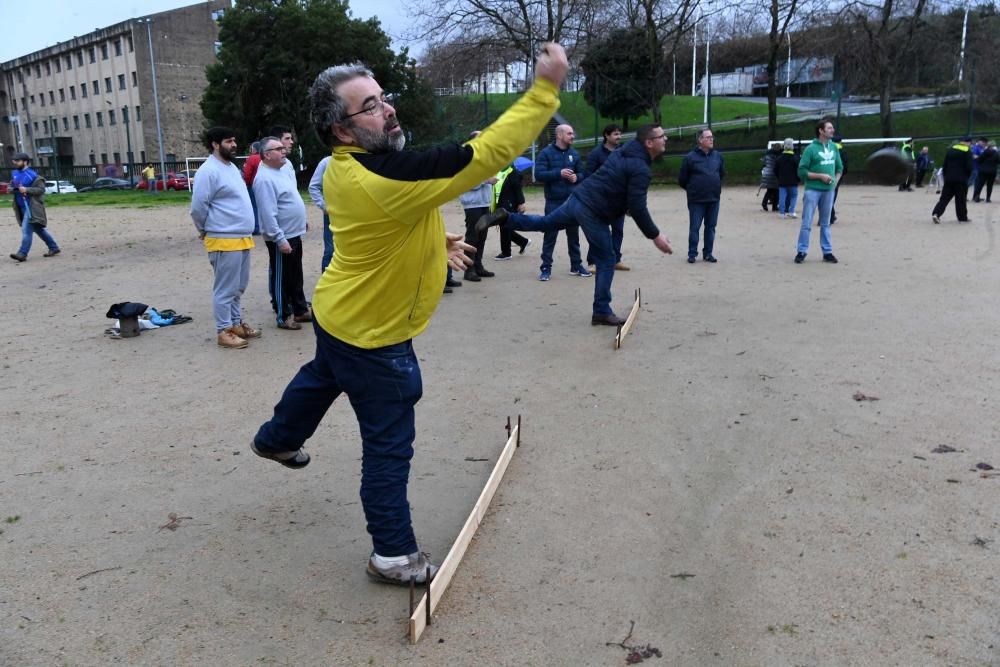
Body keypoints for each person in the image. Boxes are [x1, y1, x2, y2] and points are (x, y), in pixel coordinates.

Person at [252, 42, 569, 586]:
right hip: (375, 337)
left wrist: (433, 241)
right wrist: (544, 91)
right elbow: (485, 155)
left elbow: (389, 222)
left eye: (383, 98)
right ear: (342, 130)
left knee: (323, 375)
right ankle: (393, 554)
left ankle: (277, 438)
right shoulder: (383, 178)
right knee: (388, 445)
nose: (388, 109)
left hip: (339, 312)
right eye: (370, 106)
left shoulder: (342, 168)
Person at [479, 124, 673, 325]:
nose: (666, 139)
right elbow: (638, 206)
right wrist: (655, 236)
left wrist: (625, 206)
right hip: (593, 211)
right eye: (662, 136)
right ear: (649, 143)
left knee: (547, 223)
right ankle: (601, 311)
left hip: (578, 199)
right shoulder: (639, 167)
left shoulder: (626, 151)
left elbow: (622, 189)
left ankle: (507, 218)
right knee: (607, 260)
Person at [190, 127, 260, 349]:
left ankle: (236, 324)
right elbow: (198, 207)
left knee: (238, 286)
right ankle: (224, 331)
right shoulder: (208, 171)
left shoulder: (231, 168)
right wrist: (204, 228)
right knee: (225, 289)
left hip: (242, 237)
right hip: (223, 238)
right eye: (229, 141)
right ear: (215, 144)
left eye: (234, 140)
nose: (234, 145)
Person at [253, 136, 312, 330]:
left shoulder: (282, 170)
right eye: (278, 148)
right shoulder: (264, 178)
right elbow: (268, 214)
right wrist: (279, 239)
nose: (283, 150)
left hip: (294, 232)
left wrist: (301, 220)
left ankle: (300, 309)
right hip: (281, 237)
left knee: (296, 274)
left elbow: (290, 198)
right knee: (282, 277)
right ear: (267, 155)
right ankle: (283, 315)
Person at [535, 124, 590, 281]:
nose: (573, 136)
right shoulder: (546, 153)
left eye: (572, 133)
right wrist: (558, 173)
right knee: (550, 235)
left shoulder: (574, 153)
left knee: (574, 236)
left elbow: (583, 173)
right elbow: (538, 174)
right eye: (569, 133)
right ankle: (546, 268)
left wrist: (577, 178)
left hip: (572, 201)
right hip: (554, 202)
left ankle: (576, 265)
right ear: (559, 135)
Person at [795, 119, 843, 264]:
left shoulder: (834, 147)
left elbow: (840, 168)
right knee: (807, 222)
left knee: (826, 223)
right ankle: (801, 251)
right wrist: (820, 176)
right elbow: (801, 171)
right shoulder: (810, 149)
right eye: (829, 128)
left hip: (829, 191)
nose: (832, 130)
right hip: (812, 191)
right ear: (821, 131)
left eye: (832, 128)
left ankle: (827, 252)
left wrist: (834, 181)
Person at [585, 123, 628, 272]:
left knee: (618, 231)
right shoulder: (596, 154)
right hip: (601, 200)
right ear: (606, 136)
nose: (619, 137)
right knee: (598, 231)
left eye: (619, 134)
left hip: (619, 200)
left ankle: (616, 260)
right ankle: (592, 262)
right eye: (615, 134)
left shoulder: (623, 152)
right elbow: (588, 176)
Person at [679, 128, 725, 263]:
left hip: (714, 198)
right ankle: (692, 254)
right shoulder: (690, 158)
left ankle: (708, 253)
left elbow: (721, 174)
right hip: (696, 199)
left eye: (712, 137)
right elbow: (682, 179)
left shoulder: (718, 156)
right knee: (695, 227)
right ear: (700, 140)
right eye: (708, 137)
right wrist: (693, 190)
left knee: (711, 227)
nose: (711, 139)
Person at [458, 131, 496, 282]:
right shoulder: (465, 159)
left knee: (482, 236)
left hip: (484, 202)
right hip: (472, 204)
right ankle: (469, 270)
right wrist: (486, 181)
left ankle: (478, 266)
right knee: (473, 236)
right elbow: (464, 181)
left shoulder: (484, 159)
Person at [9, 152, 60, 262]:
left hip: (31, 207)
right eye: (15, 161)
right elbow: (12, 185)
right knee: (38, 229)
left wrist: (27, 189)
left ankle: (22, 253)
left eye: (18, 161)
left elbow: (41, 190)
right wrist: (11, 188)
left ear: (25, 162)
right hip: (20, 207)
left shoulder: (33, 175)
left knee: (26, 230)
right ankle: (54, 247)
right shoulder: (14, 173)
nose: (15, 163)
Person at [492, 156, 532, 260]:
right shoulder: (498, 171)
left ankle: (506, 253)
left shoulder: (513, 172)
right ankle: (523, 242)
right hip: (499, 203)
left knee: (505, 227)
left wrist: (521, 203)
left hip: (509, 204)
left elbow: (517, 189)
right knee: (505, 226)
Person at [932, 136, 974, 224]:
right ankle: (962, 217)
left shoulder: (951, 150)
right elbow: (969, 167)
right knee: (960, 199)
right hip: (961, 179)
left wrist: (946, 176)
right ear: (968, 142)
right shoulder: (967, 151)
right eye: (970, 143)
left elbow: (945, 165)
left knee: (944, 198)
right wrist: (967, 177)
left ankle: (936, 213)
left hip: (949, 178)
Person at [308, 155, 334, 271]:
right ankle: (326, 283)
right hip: (332, 215)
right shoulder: (327, 162)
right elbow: (314, 186)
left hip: (355, 215)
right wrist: (324, 206)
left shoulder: (359, 159)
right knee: (331, 250)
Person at [775, 138, 800, 219]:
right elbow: (799, 170)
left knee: (782, 197)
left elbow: (775, 170)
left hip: (782, 181)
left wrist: (779, 177)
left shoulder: (779, 158)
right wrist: (798, 179)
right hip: (793, 182)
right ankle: (792, 211)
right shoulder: (795, 158)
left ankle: (782, 213)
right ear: (792, 146)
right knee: (794, 196)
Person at [242, 141, 262, 235]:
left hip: (253, 185)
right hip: (264, 185)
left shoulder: (252, 158)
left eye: (251, 148)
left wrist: (247, 183)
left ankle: (256, 227)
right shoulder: (265, 157)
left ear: (254, 149)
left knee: (254, 206)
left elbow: (247, 173)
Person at [760, 142, 781, 212]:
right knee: (776, 191)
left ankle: (764, 203)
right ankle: (774, 206)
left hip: (767, 174)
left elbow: (764, 163)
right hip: (774, 175)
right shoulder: (778, 156)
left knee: (770, 190)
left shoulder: (767, 154)